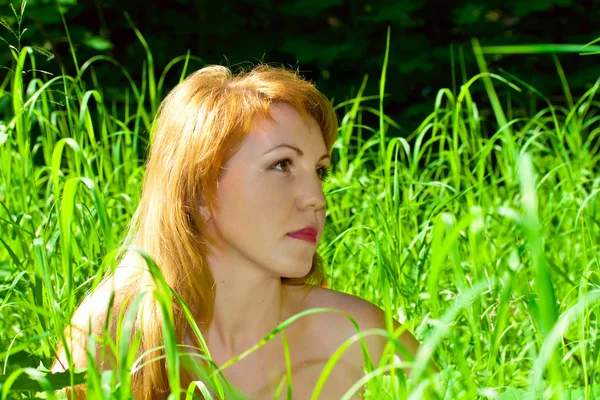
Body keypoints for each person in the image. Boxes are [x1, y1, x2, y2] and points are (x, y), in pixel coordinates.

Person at [51, 64, 428, 399]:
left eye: (320, 170)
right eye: (281, 165)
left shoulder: (361, 336)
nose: (316, 198)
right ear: (198, 188)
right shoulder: (112, 331)